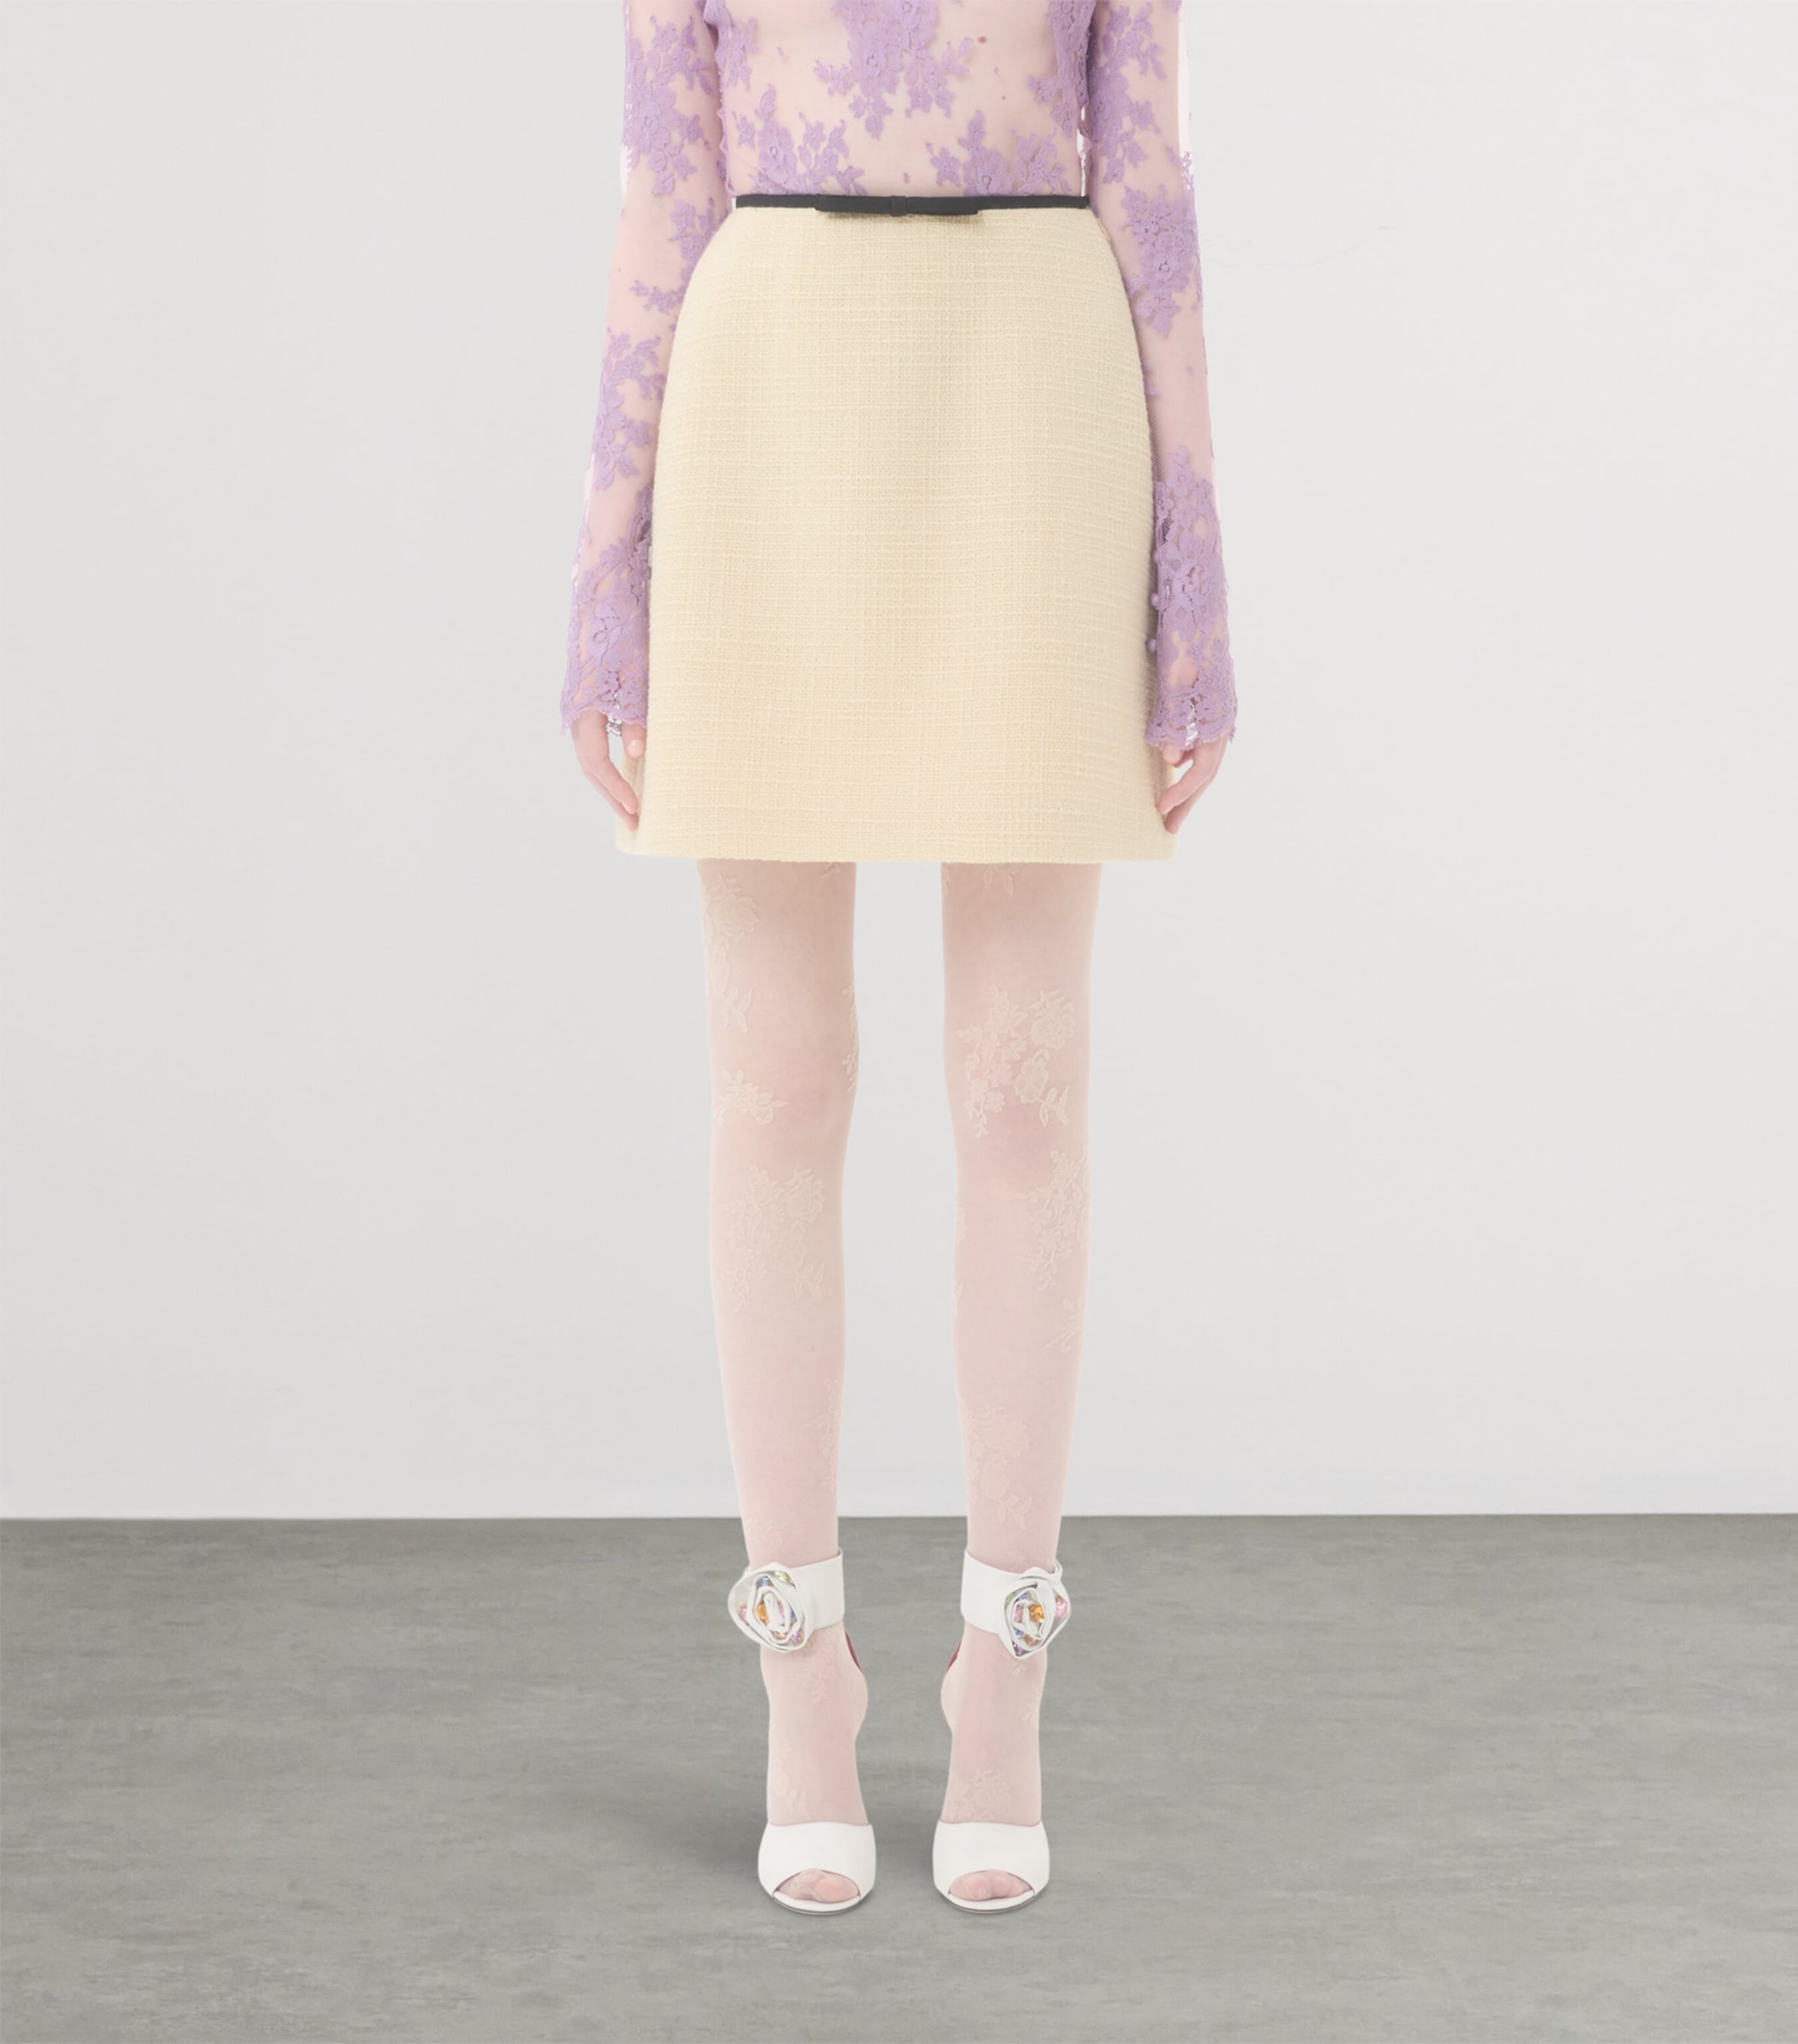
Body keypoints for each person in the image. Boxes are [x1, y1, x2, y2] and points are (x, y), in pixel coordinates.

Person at [561, 0, 1236, 1915]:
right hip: (768, 394)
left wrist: (1195, 568)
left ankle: (1004, 1673)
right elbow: (664, 182)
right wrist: (607, 565)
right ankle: (802, 1675)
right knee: (777, 1082)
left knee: (1021, 1085)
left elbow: (1153, 176)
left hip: (1038, 396)